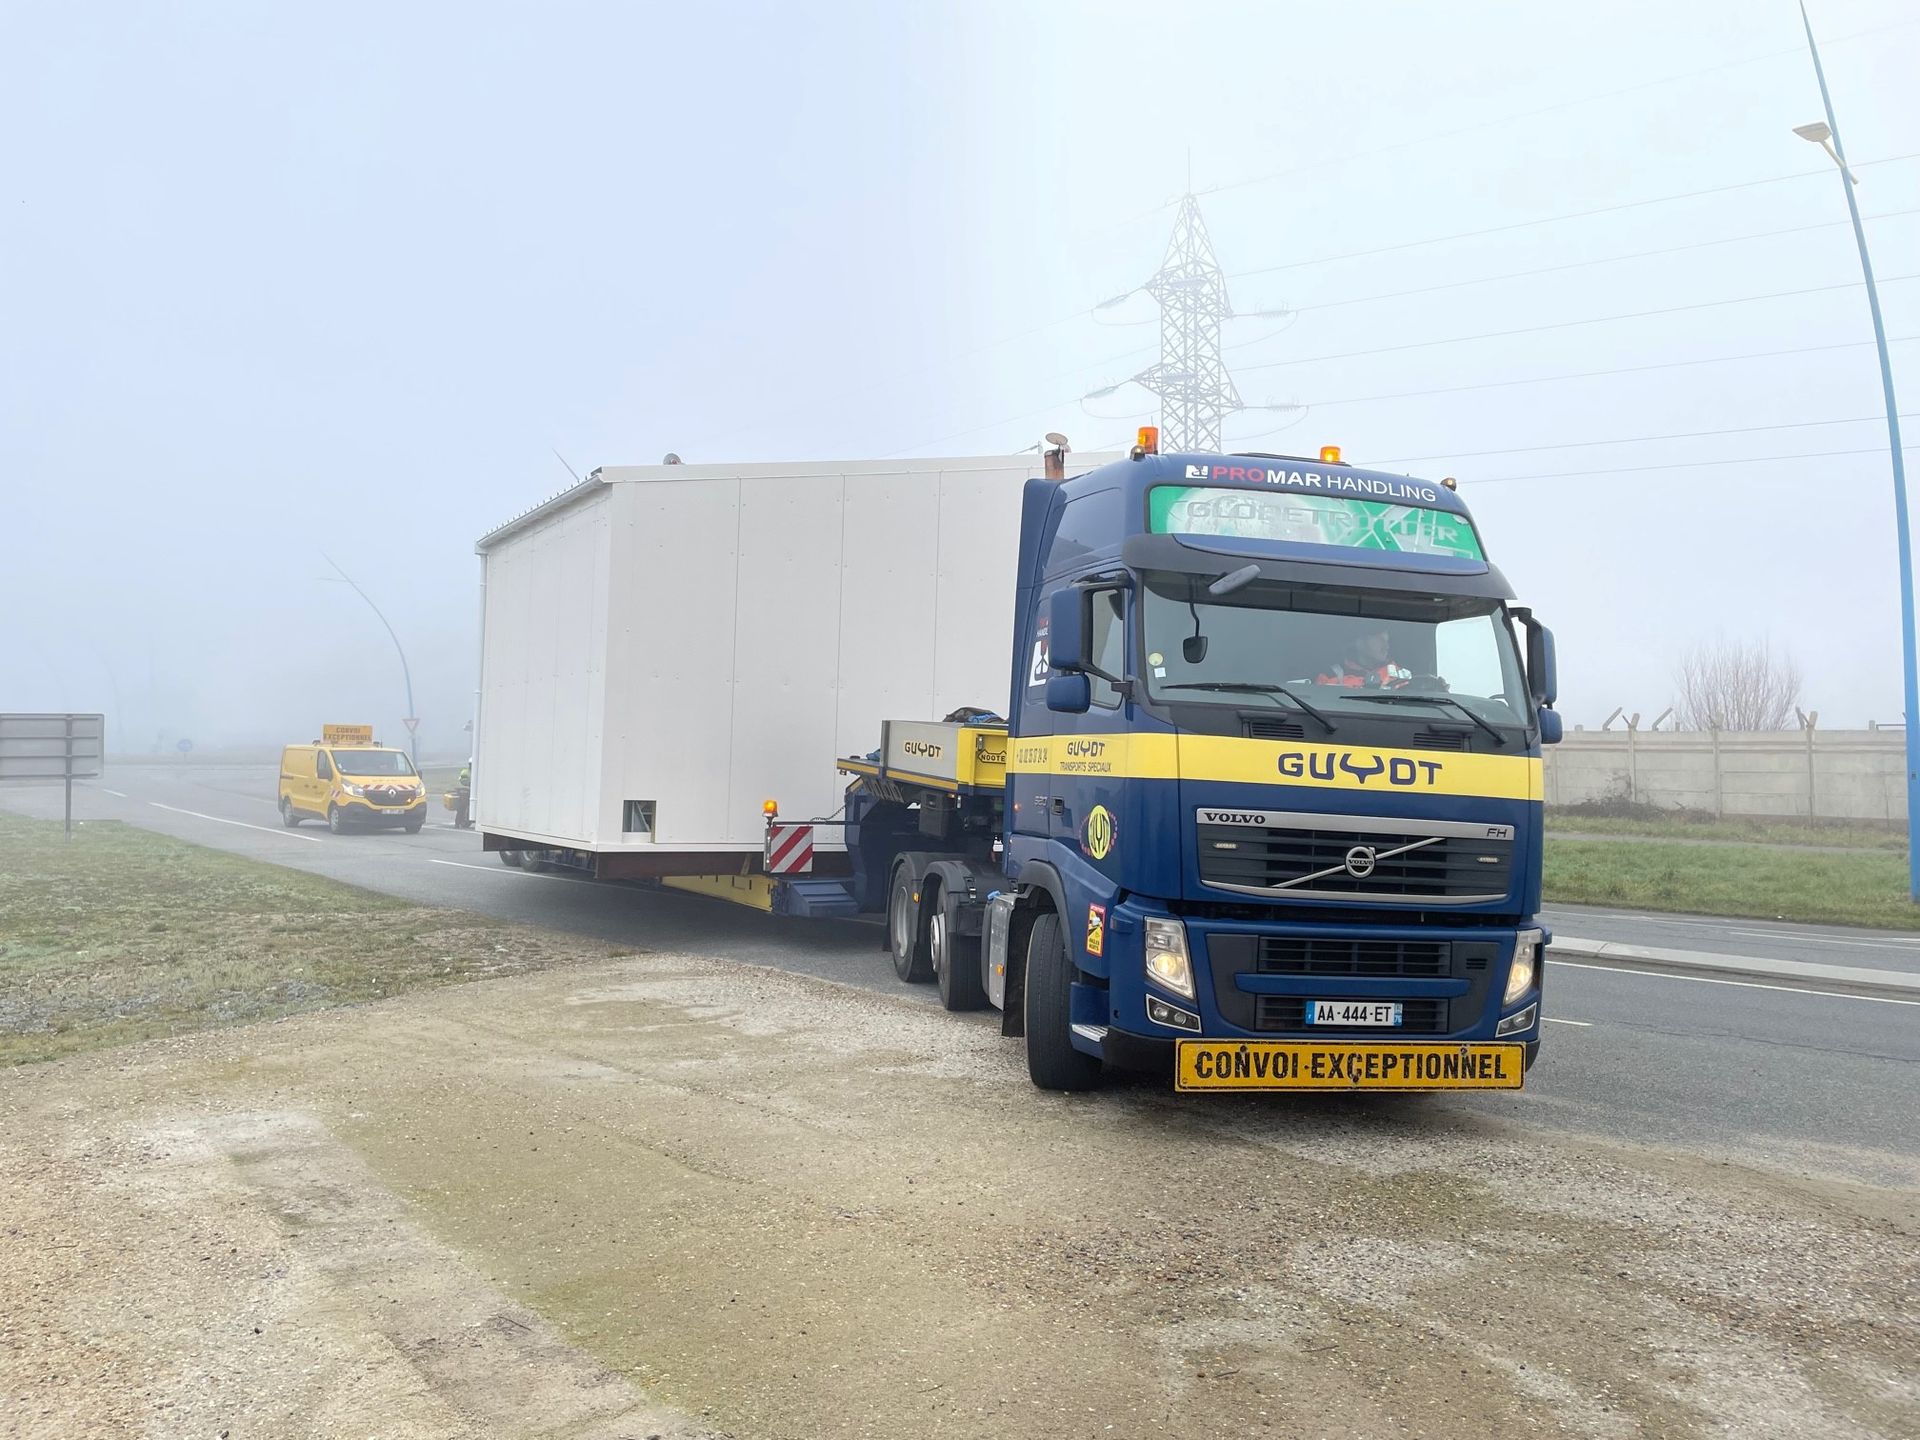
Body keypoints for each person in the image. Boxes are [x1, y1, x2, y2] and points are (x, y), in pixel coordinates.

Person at [1316, 625, 1414, 689]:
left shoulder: (1401, 675)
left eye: (1387, 640)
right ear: (1359, 643)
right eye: (1379, 640)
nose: (1386, 646)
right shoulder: (1330, 675)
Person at [454, 758, 473, 829]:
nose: (471, 766)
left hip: (474, 791)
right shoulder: (466, 772)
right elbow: (462, 780)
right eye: (471, 764)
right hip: (466, 792)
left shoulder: (479, 771)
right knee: (462, 807)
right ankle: (457, 823)